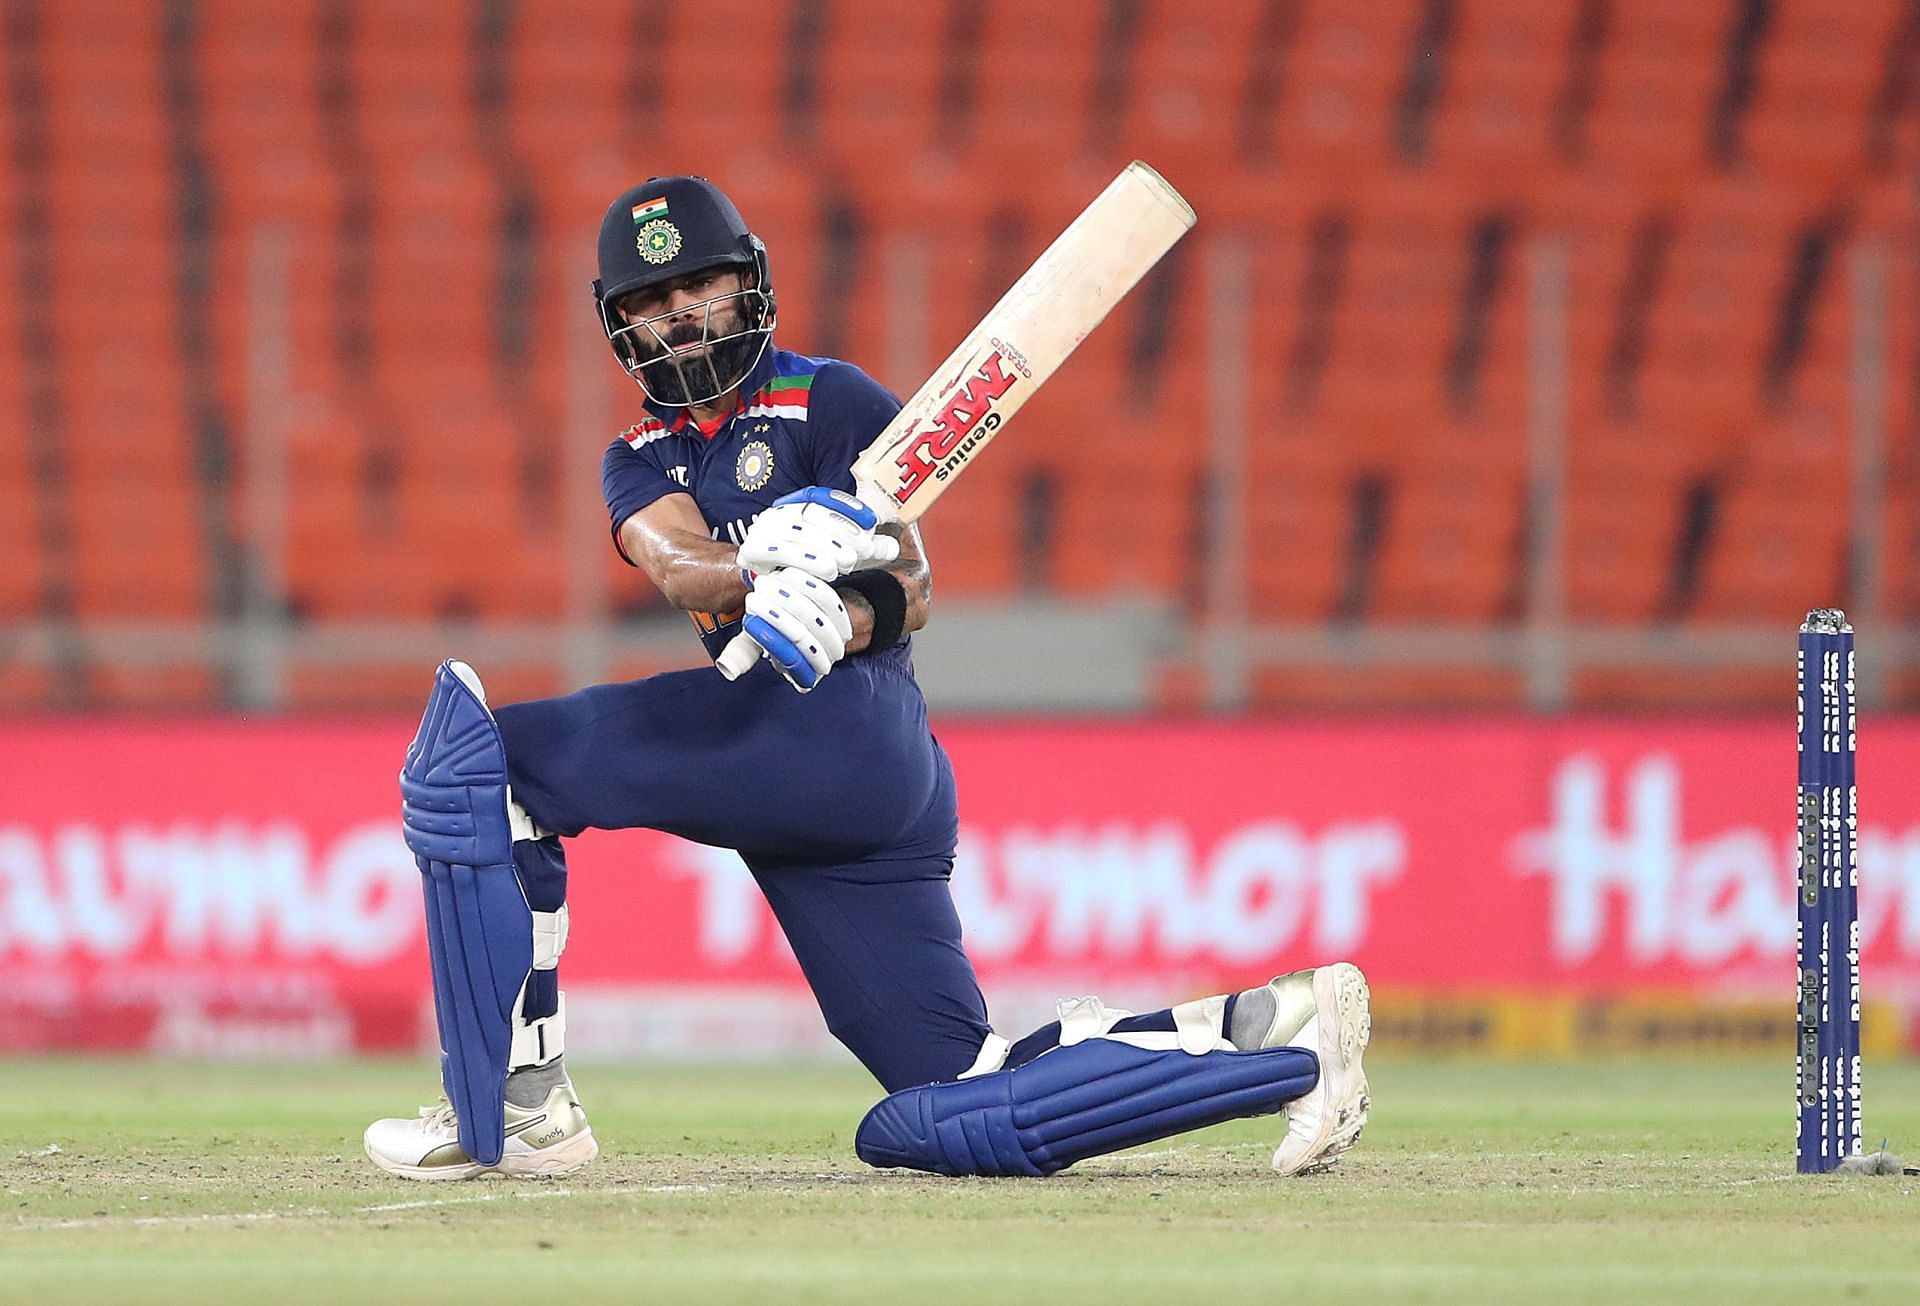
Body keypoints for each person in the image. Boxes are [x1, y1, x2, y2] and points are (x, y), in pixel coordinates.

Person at [363, 176, 1372, 1182]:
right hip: (842, 788)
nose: (680, 315)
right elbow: (675, 563)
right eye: (651, 302)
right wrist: (760, 560)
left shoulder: (828, 397)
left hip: (837, 728)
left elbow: (911, 584)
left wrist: (841, 615)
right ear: (622, 325)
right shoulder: (639, 454)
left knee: (484, 764)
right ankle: (1279, 1038)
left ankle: (515, 1105)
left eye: (700, 286)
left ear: (748, 284)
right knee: (945, 1101)